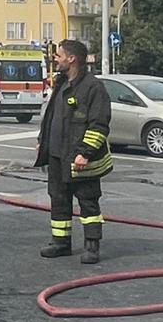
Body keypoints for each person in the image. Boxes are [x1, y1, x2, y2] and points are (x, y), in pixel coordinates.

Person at [34, 39, 113, 264]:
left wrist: (85, 153)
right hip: (58, 156)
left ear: (72, 59)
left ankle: (92, 246)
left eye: (59, 55)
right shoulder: (61, 83)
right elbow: (51, 117)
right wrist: (43, 142)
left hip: (79, 158)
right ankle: (61, 243)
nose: (55, 59)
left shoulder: (92, 87)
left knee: (88, 202)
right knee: (58, 200)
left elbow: (99, 124)